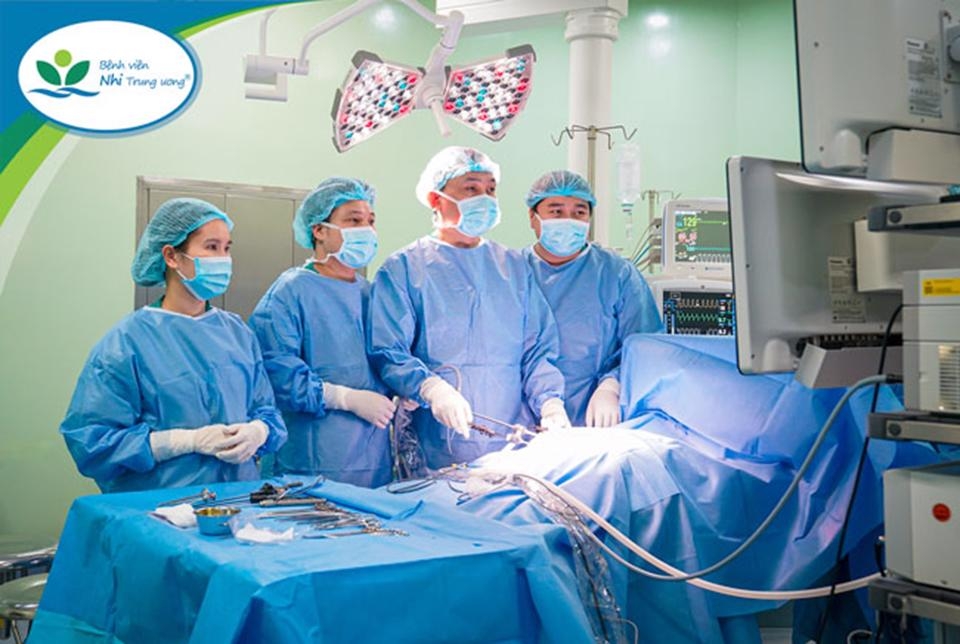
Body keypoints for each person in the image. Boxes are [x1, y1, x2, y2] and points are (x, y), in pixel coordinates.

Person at [60, 198, 287, 493]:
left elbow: (267, 410)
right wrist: (182, 442)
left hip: (238, 502)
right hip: (161, 508)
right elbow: (91, 443)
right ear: (171, 256)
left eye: (227, 248)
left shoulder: (237, 334)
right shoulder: (126, 343)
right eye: (211, 247)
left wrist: (259, 431)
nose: (223, 258)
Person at [368, 146, 569, 469]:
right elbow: (388, 351)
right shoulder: (404, 268)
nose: (485, 199)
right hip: (437, 445)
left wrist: (550, 405)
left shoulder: (514, 268)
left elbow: (537, 350)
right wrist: (431, 388)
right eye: (471, 189)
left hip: (512, 443)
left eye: (491, 189)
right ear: (435, 199)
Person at [249, 178, 396, 487]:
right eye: (354, 221)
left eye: (370, 221)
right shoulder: (289, 293)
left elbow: (390, 358)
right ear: (319, 230)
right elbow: (277, 376)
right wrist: (345, 398)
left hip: (373, 461)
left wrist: (407, 390)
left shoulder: (371, 294)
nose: (366, 230)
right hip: (309, 463)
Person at [522, 170, 663, 427]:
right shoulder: (514, 273)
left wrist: (612, 385)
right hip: (519, 420)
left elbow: (646, 346)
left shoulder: (616, 274)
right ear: (533, 216)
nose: (569, 220)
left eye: (579, 212)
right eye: (556, 211)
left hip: (596, 421)